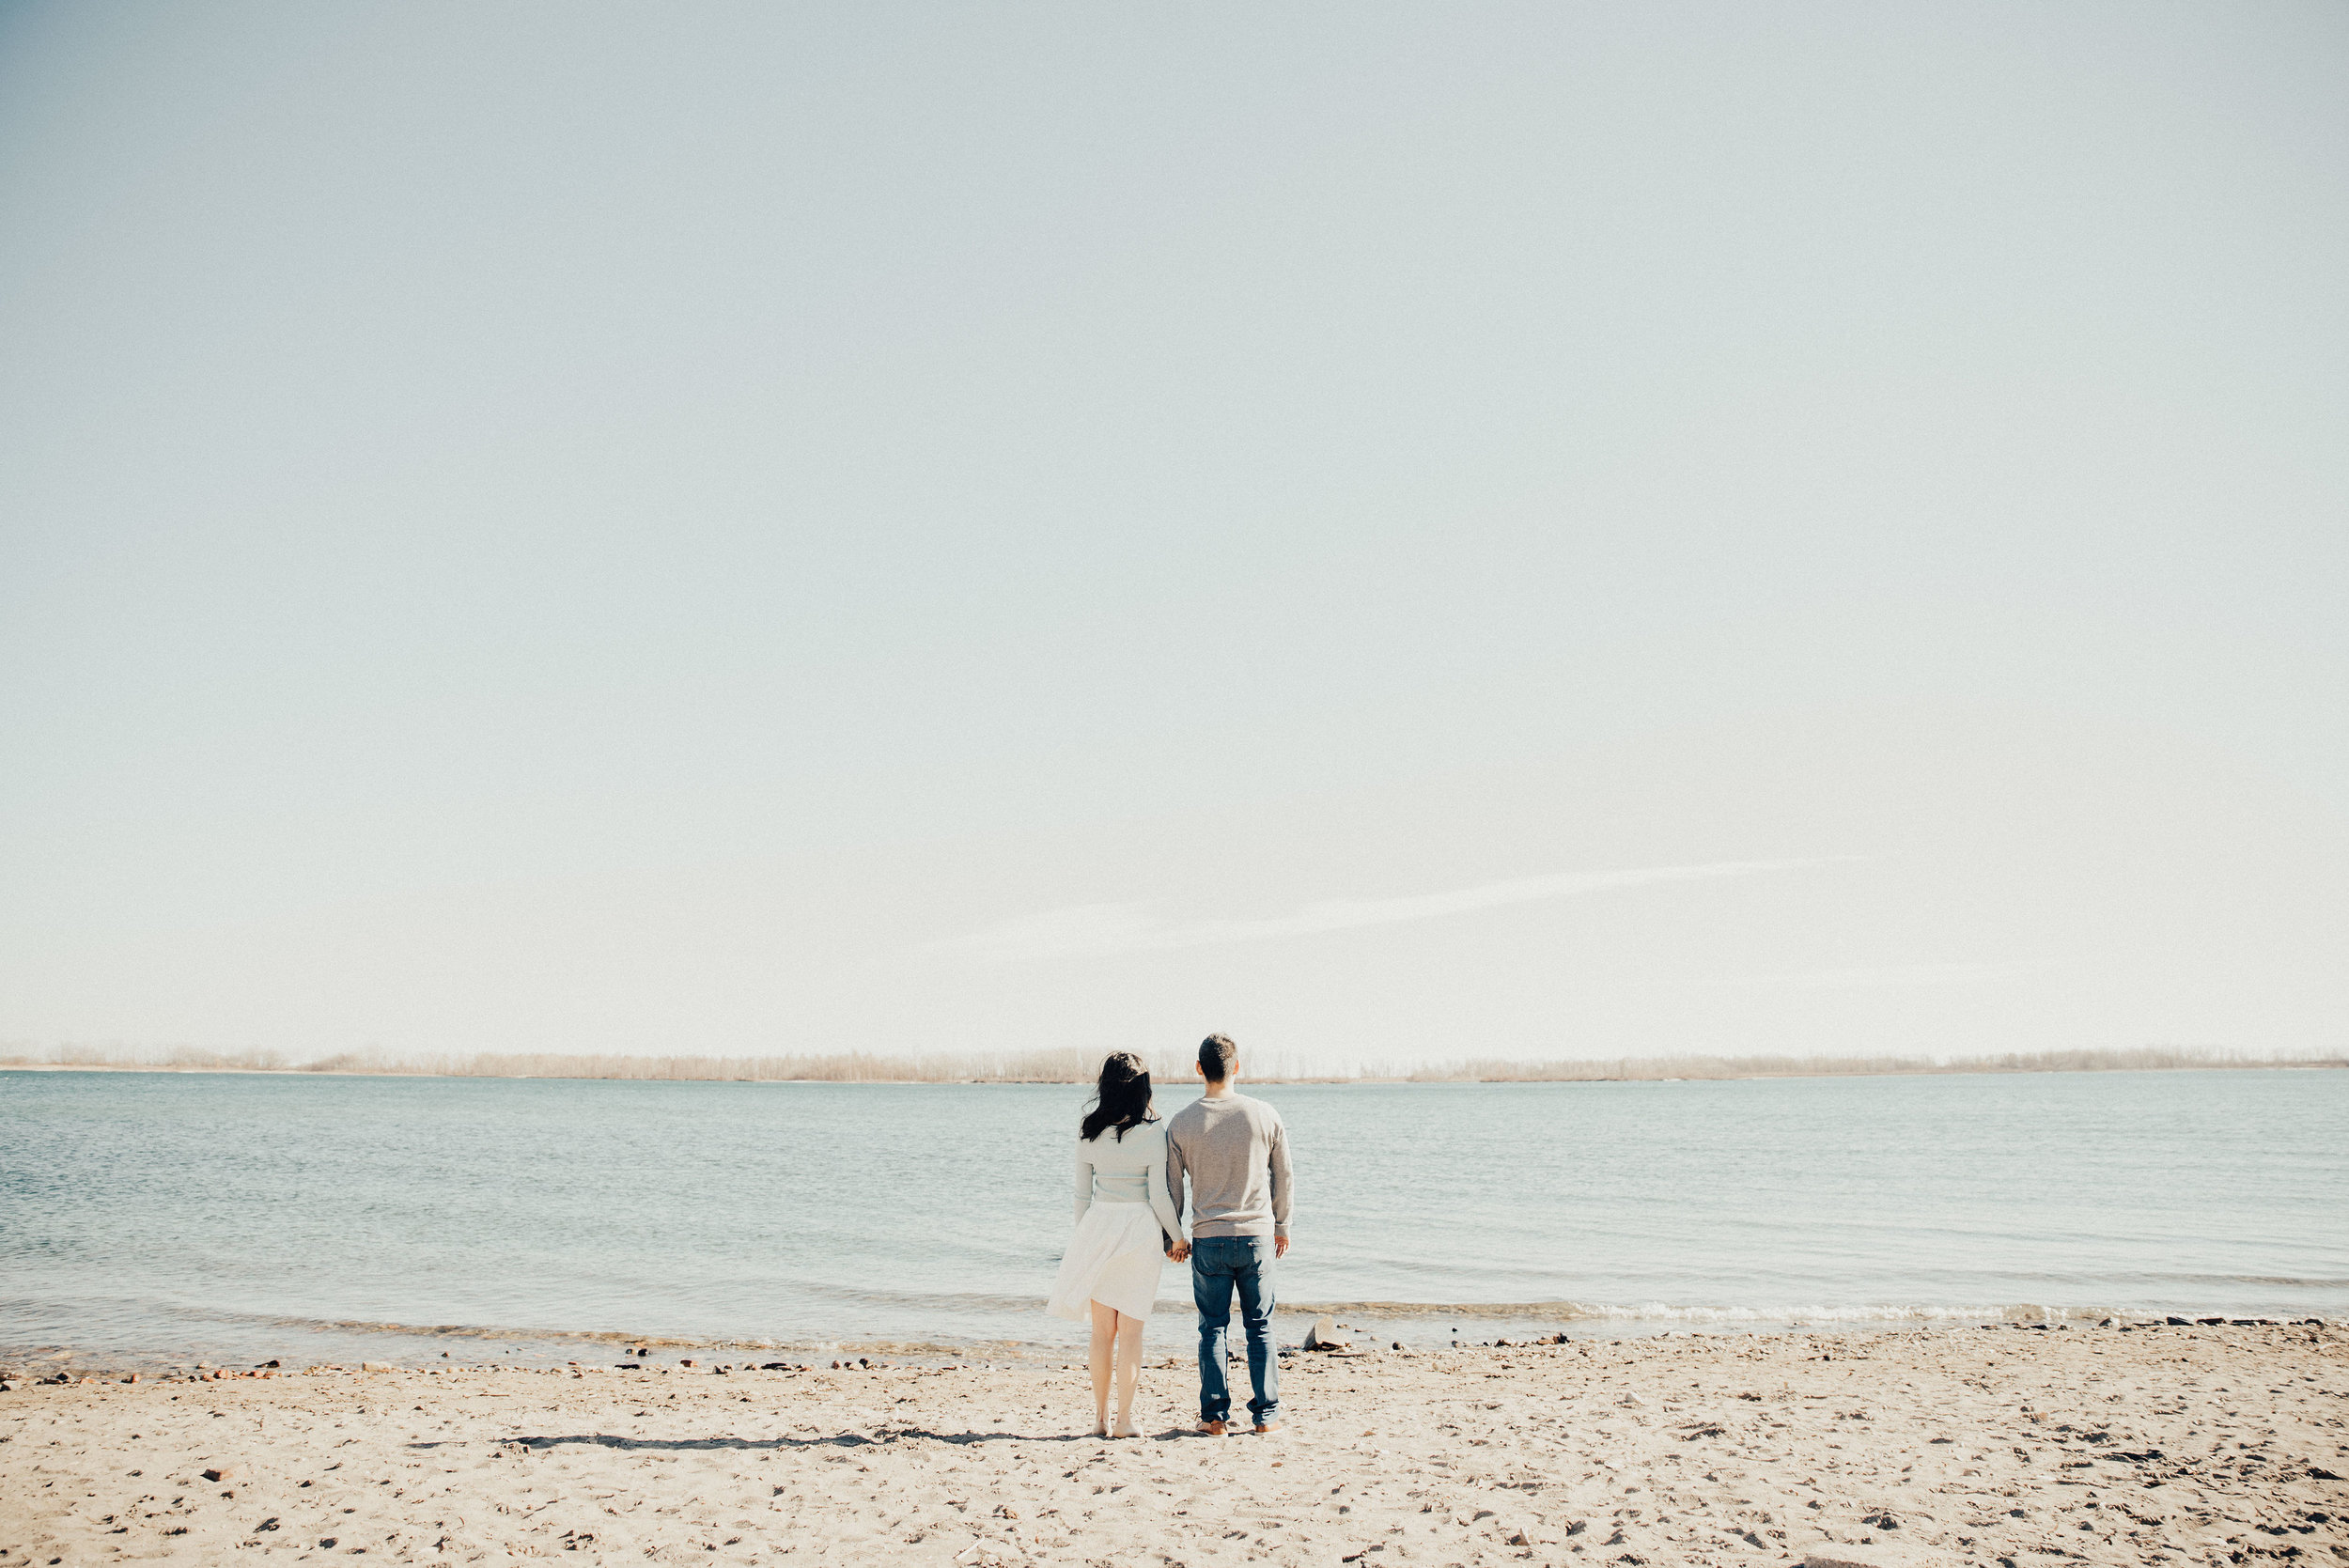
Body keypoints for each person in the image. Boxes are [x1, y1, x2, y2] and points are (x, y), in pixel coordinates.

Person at [1046, 1051, 1188, 1437]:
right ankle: (1125, 1420)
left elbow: (1081, 1196)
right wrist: (1177, 1236)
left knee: (1101, 1333)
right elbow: (1159, 1195)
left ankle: (1099, 1420)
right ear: (1143, 1088)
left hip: (1099, 1226)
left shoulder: (1088, 1129)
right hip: (1139, 1230)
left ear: (1105, 1086)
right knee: (1132, 1333)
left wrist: (1084, 1240)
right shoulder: (1153, 1132)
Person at [1165, 1032, 1292, 1436]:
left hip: (1208, 1238)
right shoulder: (1264, 1115)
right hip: (1256, 1236)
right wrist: (1282, 1224)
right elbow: (1284, 1175)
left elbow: (1173, 1189)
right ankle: (1266, 1418)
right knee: (1260, 1326)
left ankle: (1214, 1418)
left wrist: (1172, 1238)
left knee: (1212, 1327)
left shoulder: (1182, 1122)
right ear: (1237, 1067)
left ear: (1200, 1069)